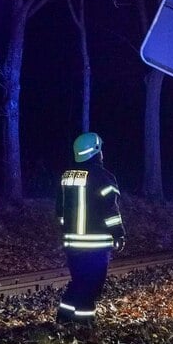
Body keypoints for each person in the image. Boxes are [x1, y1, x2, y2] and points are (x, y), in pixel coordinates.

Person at [56, 132, 126, 327]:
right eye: (100, 150)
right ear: (95, 152)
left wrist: (68, 233)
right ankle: (84, 324)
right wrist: (118, 234)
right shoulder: (103, 177)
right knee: (92, 285)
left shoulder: (67, 176)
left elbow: (60, 212)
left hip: (71, 244)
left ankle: (64, 317)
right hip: (95, 246)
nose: (102, 153)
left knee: (78, 282)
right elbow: (110, 210)